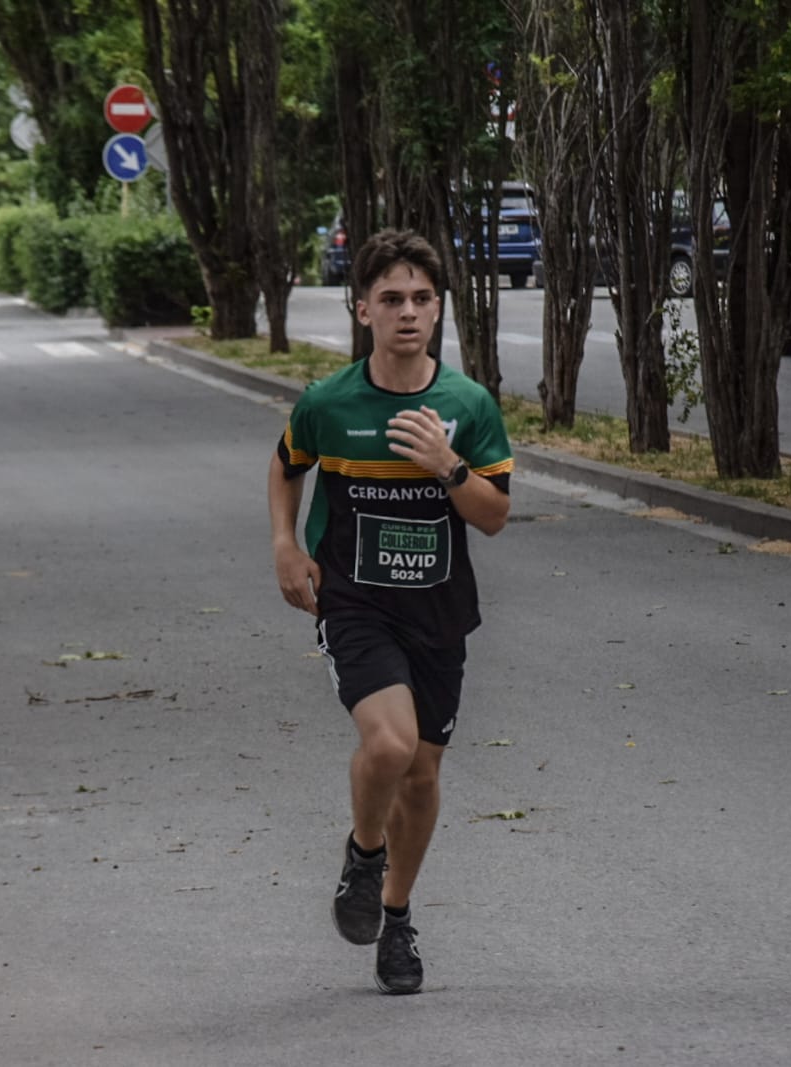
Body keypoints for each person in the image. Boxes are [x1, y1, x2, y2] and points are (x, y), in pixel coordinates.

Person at [266, 229, 514, 995]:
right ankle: (363, 858)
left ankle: (396, 917)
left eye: (422, 299)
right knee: (390, 746)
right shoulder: (330, 403)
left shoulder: (466, 405)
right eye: (392, 299)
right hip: (355, 601)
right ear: (362, 307)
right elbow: (286, 465)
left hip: (439, 609)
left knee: (423, 772)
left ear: (437, 310)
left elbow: (495, 514)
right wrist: (284, 542)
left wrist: (447, 466)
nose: (408, 312)